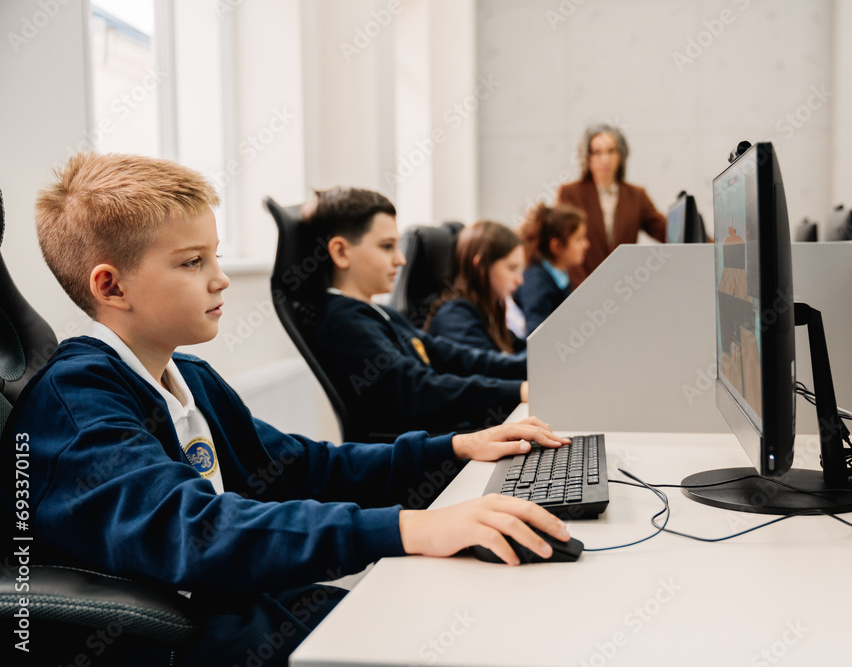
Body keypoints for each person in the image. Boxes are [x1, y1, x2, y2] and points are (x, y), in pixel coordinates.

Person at [7, 153, 571, 666]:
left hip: (234, 607)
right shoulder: (77, 405)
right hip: (173, 641)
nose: (220, 277)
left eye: (216, 256)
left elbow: (302, 467)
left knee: (463, 613)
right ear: (111, 286)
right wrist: (408, 528)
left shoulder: (189, 379)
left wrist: (452, 450)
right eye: (191, 262)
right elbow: (198, 529)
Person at [307, 188, 529, 437]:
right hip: (421, 456)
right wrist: (515, 391)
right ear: (341, 252)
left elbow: (452, 355)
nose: (401, 259)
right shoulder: (345, 323)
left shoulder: (381, 312)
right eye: (387, 246)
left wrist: (527, 373)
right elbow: (419, 390)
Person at [557, 123, 666, 286]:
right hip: (580, 289)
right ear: (587, 157)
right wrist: (583, 292)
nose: (605, 159)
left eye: (611, 151)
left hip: (623, 290)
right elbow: (564, 246)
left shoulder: (636, 196)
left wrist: (711, 245)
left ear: (621, 155)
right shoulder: (570, 193)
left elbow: (667, 231)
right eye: (597, 152)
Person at [424, 220, 526, 354]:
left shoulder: (489, 310)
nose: (520, 281)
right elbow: (490, 367)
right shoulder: (455, 317)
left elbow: (520, 348)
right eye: (512, 268)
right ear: (481, 264)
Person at [513, 203, 589, 335]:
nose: (586, 245)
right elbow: (537, 335)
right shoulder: (536, 282)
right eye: (579, 239)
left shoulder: (559, 274)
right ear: (556, 246)